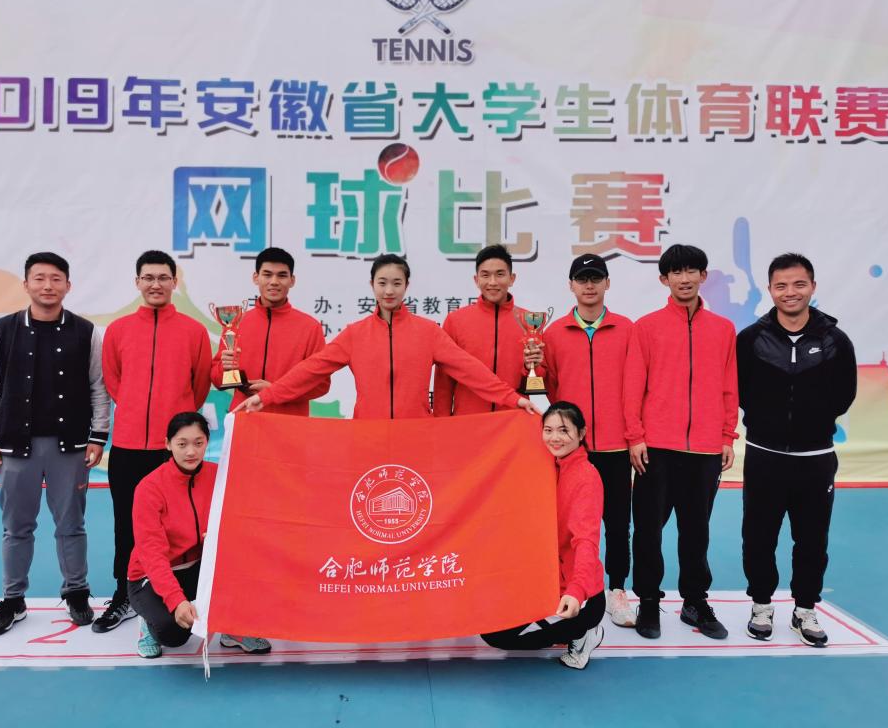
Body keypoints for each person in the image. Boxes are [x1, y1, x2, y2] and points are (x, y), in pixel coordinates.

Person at [0, 252, 110, 636]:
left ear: (68, 285)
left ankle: (76, 592)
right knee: (16, 528)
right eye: (39, 278)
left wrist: (98, 435)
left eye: (55, 279)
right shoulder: (2, 330)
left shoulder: (85, 331)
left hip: (71, 447)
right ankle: (13, 599)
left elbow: (98, 387)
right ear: (26, 284)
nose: (47, 285)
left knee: (72, 525)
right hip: (15, 447)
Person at [235, 254, 538, 418]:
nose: (389, 290)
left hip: (417, 435)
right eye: (382, 283)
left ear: (407, 286)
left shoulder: (429, 333)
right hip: (367, 436)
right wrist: (268, 396)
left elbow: (471, 370)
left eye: (396, 283)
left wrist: (512, 398)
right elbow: (311, 369)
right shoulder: (354, 335)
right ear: (372, 285)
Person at [737, 253, 856, 646]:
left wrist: (809, 423)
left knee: (812, 540)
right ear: (771, 290)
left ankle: (805, 609)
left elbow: (844, 395)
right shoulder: (751, 340)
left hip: (814, 460)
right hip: (764, 456)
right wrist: (769, 421)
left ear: (813, 287)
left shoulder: (835, 341)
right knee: (758, 537)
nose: (790, 292)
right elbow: (740, 391)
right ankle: (761, 605)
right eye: (782, 285)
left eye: (799, 284)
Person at [624, 244, 739, 640]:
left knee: (696, 531)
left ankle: (694, 602)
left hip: (705, 449)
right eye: (676, 272)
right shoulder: (646, 327)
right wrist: (635, 436)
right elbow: (632, 386)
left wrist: (726, 435)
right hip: (655, 448)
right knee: (648, 531)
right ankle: (648, 601)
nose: (685, 278)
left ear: (703, 276)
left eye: (692, 271)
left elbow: (729, 387)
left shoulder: (723, 329)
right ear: (664, 279)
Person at [96, 250, 213, 633]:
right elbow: (113, 380)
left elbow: (199, 386)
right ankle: (124, 593)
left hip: (174, 450)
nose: (156, 284)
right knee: (126, 525)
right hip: (128, 446)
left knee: (180, 526)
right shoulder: (118, 330)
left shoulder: (194, 332)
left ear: (174, 282)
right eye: (148, 277)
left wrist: (176, 431)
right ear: (137, 282)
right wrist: (133, 411)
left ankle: (181, 592)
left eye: (163, 277)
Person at [128, 412, 271, 658]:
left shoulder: (220, 476)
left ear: (207, 442)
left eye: (198, 443)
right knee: (174, 633)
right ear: (168, 444)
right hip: (152, 575)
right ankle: (148, 625)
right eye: (182, 444)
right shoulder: (149, 488)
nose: (191, 452)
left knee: (253, 559)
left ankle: (232, 629)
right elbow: (152, 555)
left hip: (200, 567)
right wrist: (176, 600)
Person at [542, 254, 635, 627]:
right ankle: (564, 586)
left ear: (607, 283)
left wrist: (633, 434)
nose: (589, 285)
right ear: (571, 286)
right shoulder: (552, 334)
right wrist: (566, 433)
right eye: (582, 279)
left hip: (616, 446)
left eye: (596, 278)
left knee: (617, 522)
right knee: (570, 525)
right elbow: (550, 385)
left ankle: (617, 590)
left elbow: (636, 385)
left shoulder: (627, 329)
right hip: (573, 451)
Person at [481, 402, 605, 669]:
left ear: (581, 433)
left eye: (564, 430)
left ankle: (583, 632)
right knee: (487, 624)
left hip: (576, 595)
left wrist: (577, 591)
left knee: (499, 637)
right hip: (542, 580)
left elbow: (586, 541)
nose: (555, 438)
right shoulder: (546, 465)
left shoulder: (586, 478)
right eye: (548, 430)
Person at [211, 247, 328, 414]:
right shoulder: (236, 323)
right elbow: (218, 381)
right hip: (244, 418)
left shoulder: (310, 327)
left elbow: (321, 384)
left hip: (289, 422)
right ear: (256, 278)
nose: (274, 281)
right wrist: (225, 368)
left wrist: (276, 391)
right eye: (267, 274)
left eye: (282, 275)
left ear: (292, 280)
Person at [433, 244, 542, 416]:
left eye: (500, 274)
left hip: (512, 418)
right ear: (476, 280)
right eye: (485, 275)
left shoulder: (530, 321)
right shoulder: (456, 321)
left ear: (512, 278)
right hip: (469, 420)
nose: (492, 282)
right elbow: (443, 382)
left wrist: (532, 368)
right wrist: (441, 421)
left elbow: (537, 381)